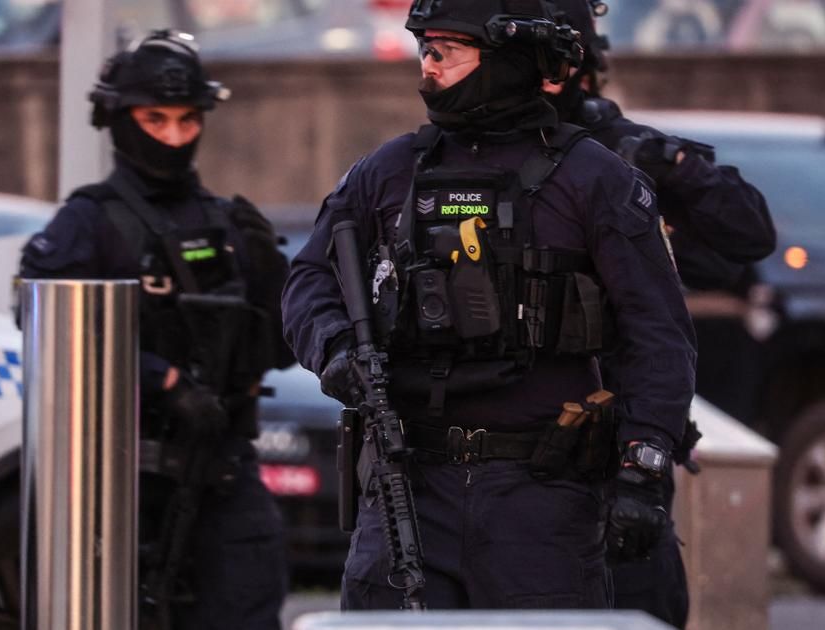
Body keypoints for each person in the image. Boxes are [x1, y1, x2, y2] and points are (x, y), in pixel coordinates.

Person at [282, 0, 696, 611]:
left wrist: (644, 469)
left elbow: (658, 337)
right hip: (408, 486)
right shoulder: (389, 172)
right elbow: (308, 280)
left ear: (506, 57)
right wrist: (335, 349)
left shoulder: (595, 180)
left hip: (541, 500)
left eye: (446, 50)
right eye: (424, 49)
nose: (428, 65)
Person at [19, 30, 291, 630]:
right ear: (117, 118)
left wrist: (274, 278)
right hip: (124, 478)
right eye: (154, 118)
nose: (172, 136)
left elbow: (283, 350)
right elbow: (47, 325)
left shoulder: (226, 222)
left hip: (223, 470)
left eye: (187, 119)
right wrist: (161, 380)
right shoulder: (86, 223)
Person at [544, 2, 777, 627]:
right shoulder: (466, 165)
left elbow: (747, 232)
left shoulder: (624, 161)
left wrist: (668, 164)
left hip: (617, 447)